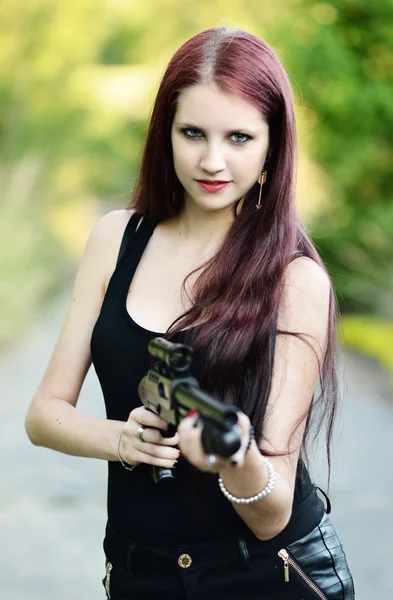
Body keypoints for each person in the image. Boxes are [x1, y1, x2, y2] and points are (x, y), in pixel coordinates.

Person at [25, 27, 355, 600]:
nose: (212, 160)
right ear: (165, 133)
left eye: (240, 138)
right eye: (193, 133)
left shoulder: (296, 281)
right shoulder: (115, 239)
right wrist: (121, 441)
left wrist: (235, 458)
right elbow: (43, 414)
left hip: (265, 575)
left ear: (273, 147)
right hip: (138, 574)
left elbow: (271, 513)